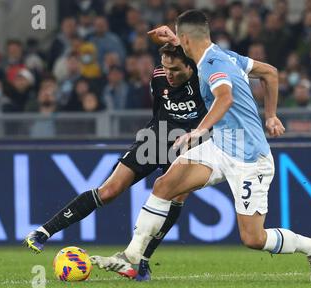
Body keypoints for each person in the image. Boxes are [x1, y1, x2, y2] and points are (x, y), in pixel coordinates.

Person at [99, 10, 311, 282]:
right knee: (165, 185)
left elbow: (224, 98)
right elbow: (270, 72)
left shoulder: (212, 64)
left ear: (186, 39)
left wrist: (199, 130)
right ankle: (131, 257)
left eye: (180, 40)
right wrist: (271, 115)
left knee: (254, 238)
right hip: (219, 146)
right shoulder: (223, 55)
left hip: (249, 157)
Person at [24, 44, 208, 273]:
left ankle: (143, 261)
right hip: (155, 139)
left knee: (176, 197)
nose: (169, 74)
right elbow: (159, 110)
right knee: (109, 190)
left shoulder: (206, 80)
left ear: (191, 67)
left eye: (176, 69)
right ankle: (43, 232)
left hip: (189, 144)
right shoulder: (159, 77)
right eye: (165, 67)